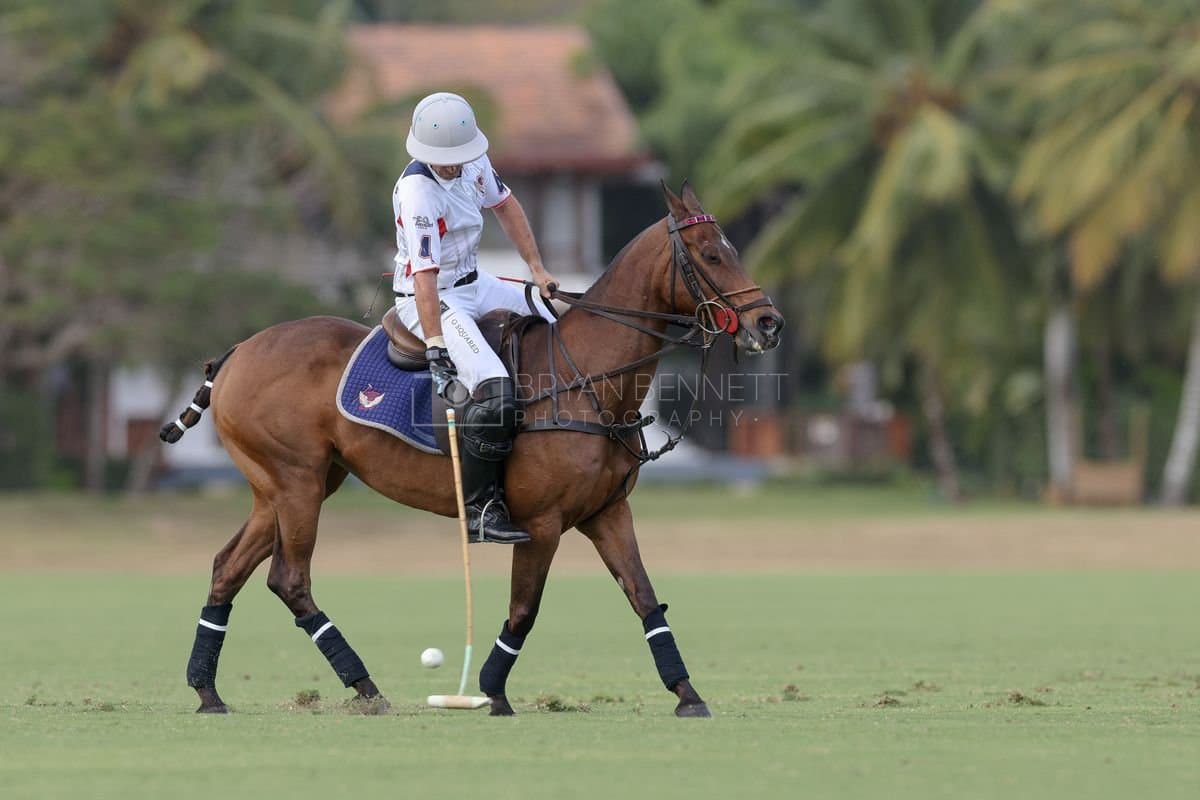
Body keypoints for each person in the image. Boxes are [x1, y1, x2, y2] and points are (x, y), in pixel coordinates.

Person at [391, 92, 559, 544]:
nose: (453, 167)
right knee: (492, 386)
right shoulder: (417, 193)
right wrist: (435, 344)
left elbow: (506, 206)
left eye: (457, 159)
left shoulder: (475, 163)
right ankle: (482, 509)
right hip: (429, 295)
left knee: (557, 322)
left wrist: (537, 270)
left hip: (474, 281)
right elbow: (424, 277)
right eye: (442, 161)